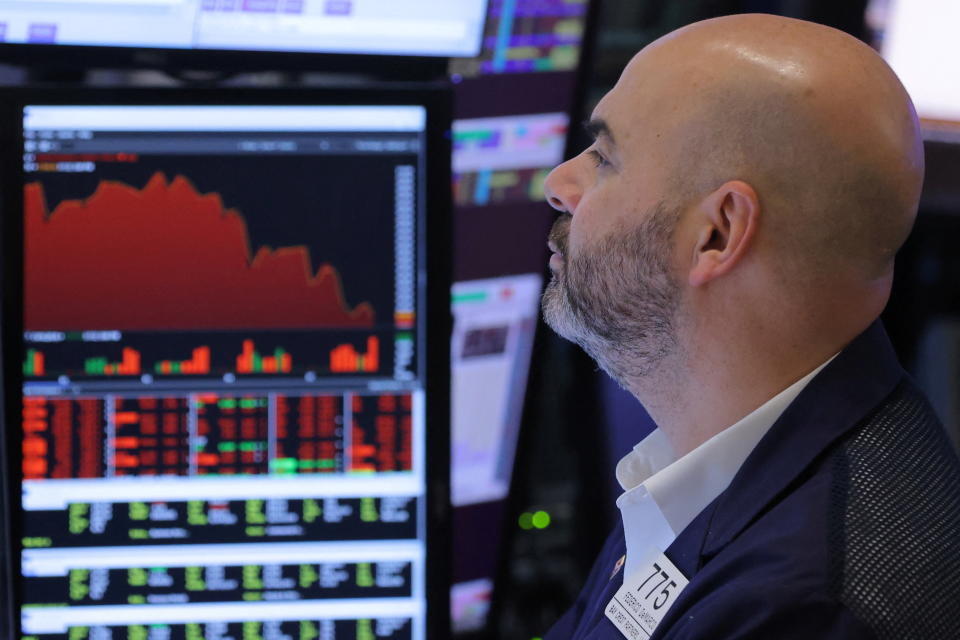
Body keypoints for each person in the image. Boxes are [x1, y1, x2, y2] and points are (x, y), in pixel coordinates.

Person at [540, 13, 960, 640]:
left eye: (603, 158)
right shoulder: (724, 460)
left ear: (717, 233)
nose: (558, 184)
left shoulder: (803, 610)